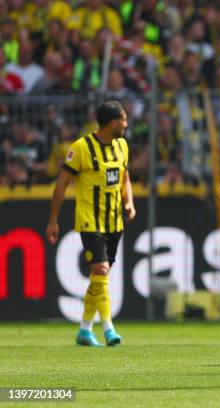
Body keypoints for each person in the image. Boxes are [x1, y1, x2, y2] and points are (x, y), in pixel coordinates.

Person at [46, 100, 135, 347]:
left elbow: (125, 176)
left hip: (114, 221)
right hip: (90, 220)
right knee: (101, 271)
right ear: (114, 123)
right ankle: (108, 328)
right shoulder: (81, 148)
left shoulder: (122, 146)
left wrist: (129, 201)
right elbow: (62, 183)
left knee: (100, 279)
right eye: (124, 120)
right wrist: (53, 220)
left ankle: (85, 330)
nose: (127, 124)